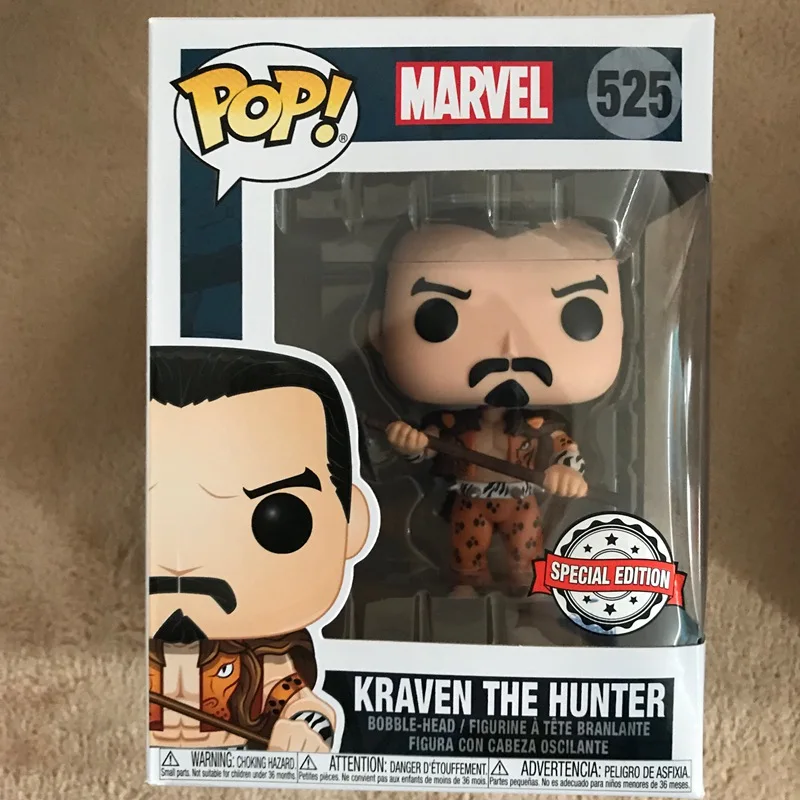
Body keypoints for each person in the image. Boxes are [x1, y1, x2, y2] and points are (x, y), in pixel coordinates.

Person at [366, 209, 624, 592]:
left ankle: (528, 590)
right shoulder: (451, 423)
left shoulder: (540, 425)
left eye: (577, 313)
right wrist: (411, 444)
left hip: (521, 500)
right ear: (378, 332)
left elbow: (564, 449)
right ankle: (467, 587)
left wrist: (568, 473)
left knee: (526, 557)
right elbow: (428, 448)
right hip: (470, 498)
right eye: (439, 315)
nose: (510, 350)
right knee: (466, 555)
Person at [148, 345, 373, 750]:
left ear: (351, 525)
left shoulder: (268, 654)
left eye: (278, 519)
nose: (185, 564)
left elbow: (302, 704)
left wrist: (305, 732)